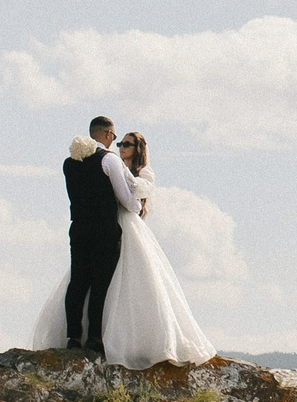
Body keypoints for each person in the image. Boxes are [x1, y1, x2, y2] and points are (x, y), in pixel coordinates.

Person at [29, 121, 218, 368]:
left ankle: (73, 336)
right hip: (108, 229)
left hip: (80, 228)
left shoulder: (70, 162)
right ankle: (95, 338)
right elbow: (126, 198)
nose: (118, 144)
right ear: (107, 134)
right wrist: (136, 206)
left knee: (79, 283)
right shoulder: (109, 161)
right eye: (117, 139)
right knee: (100, 284)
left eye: (125, 143)